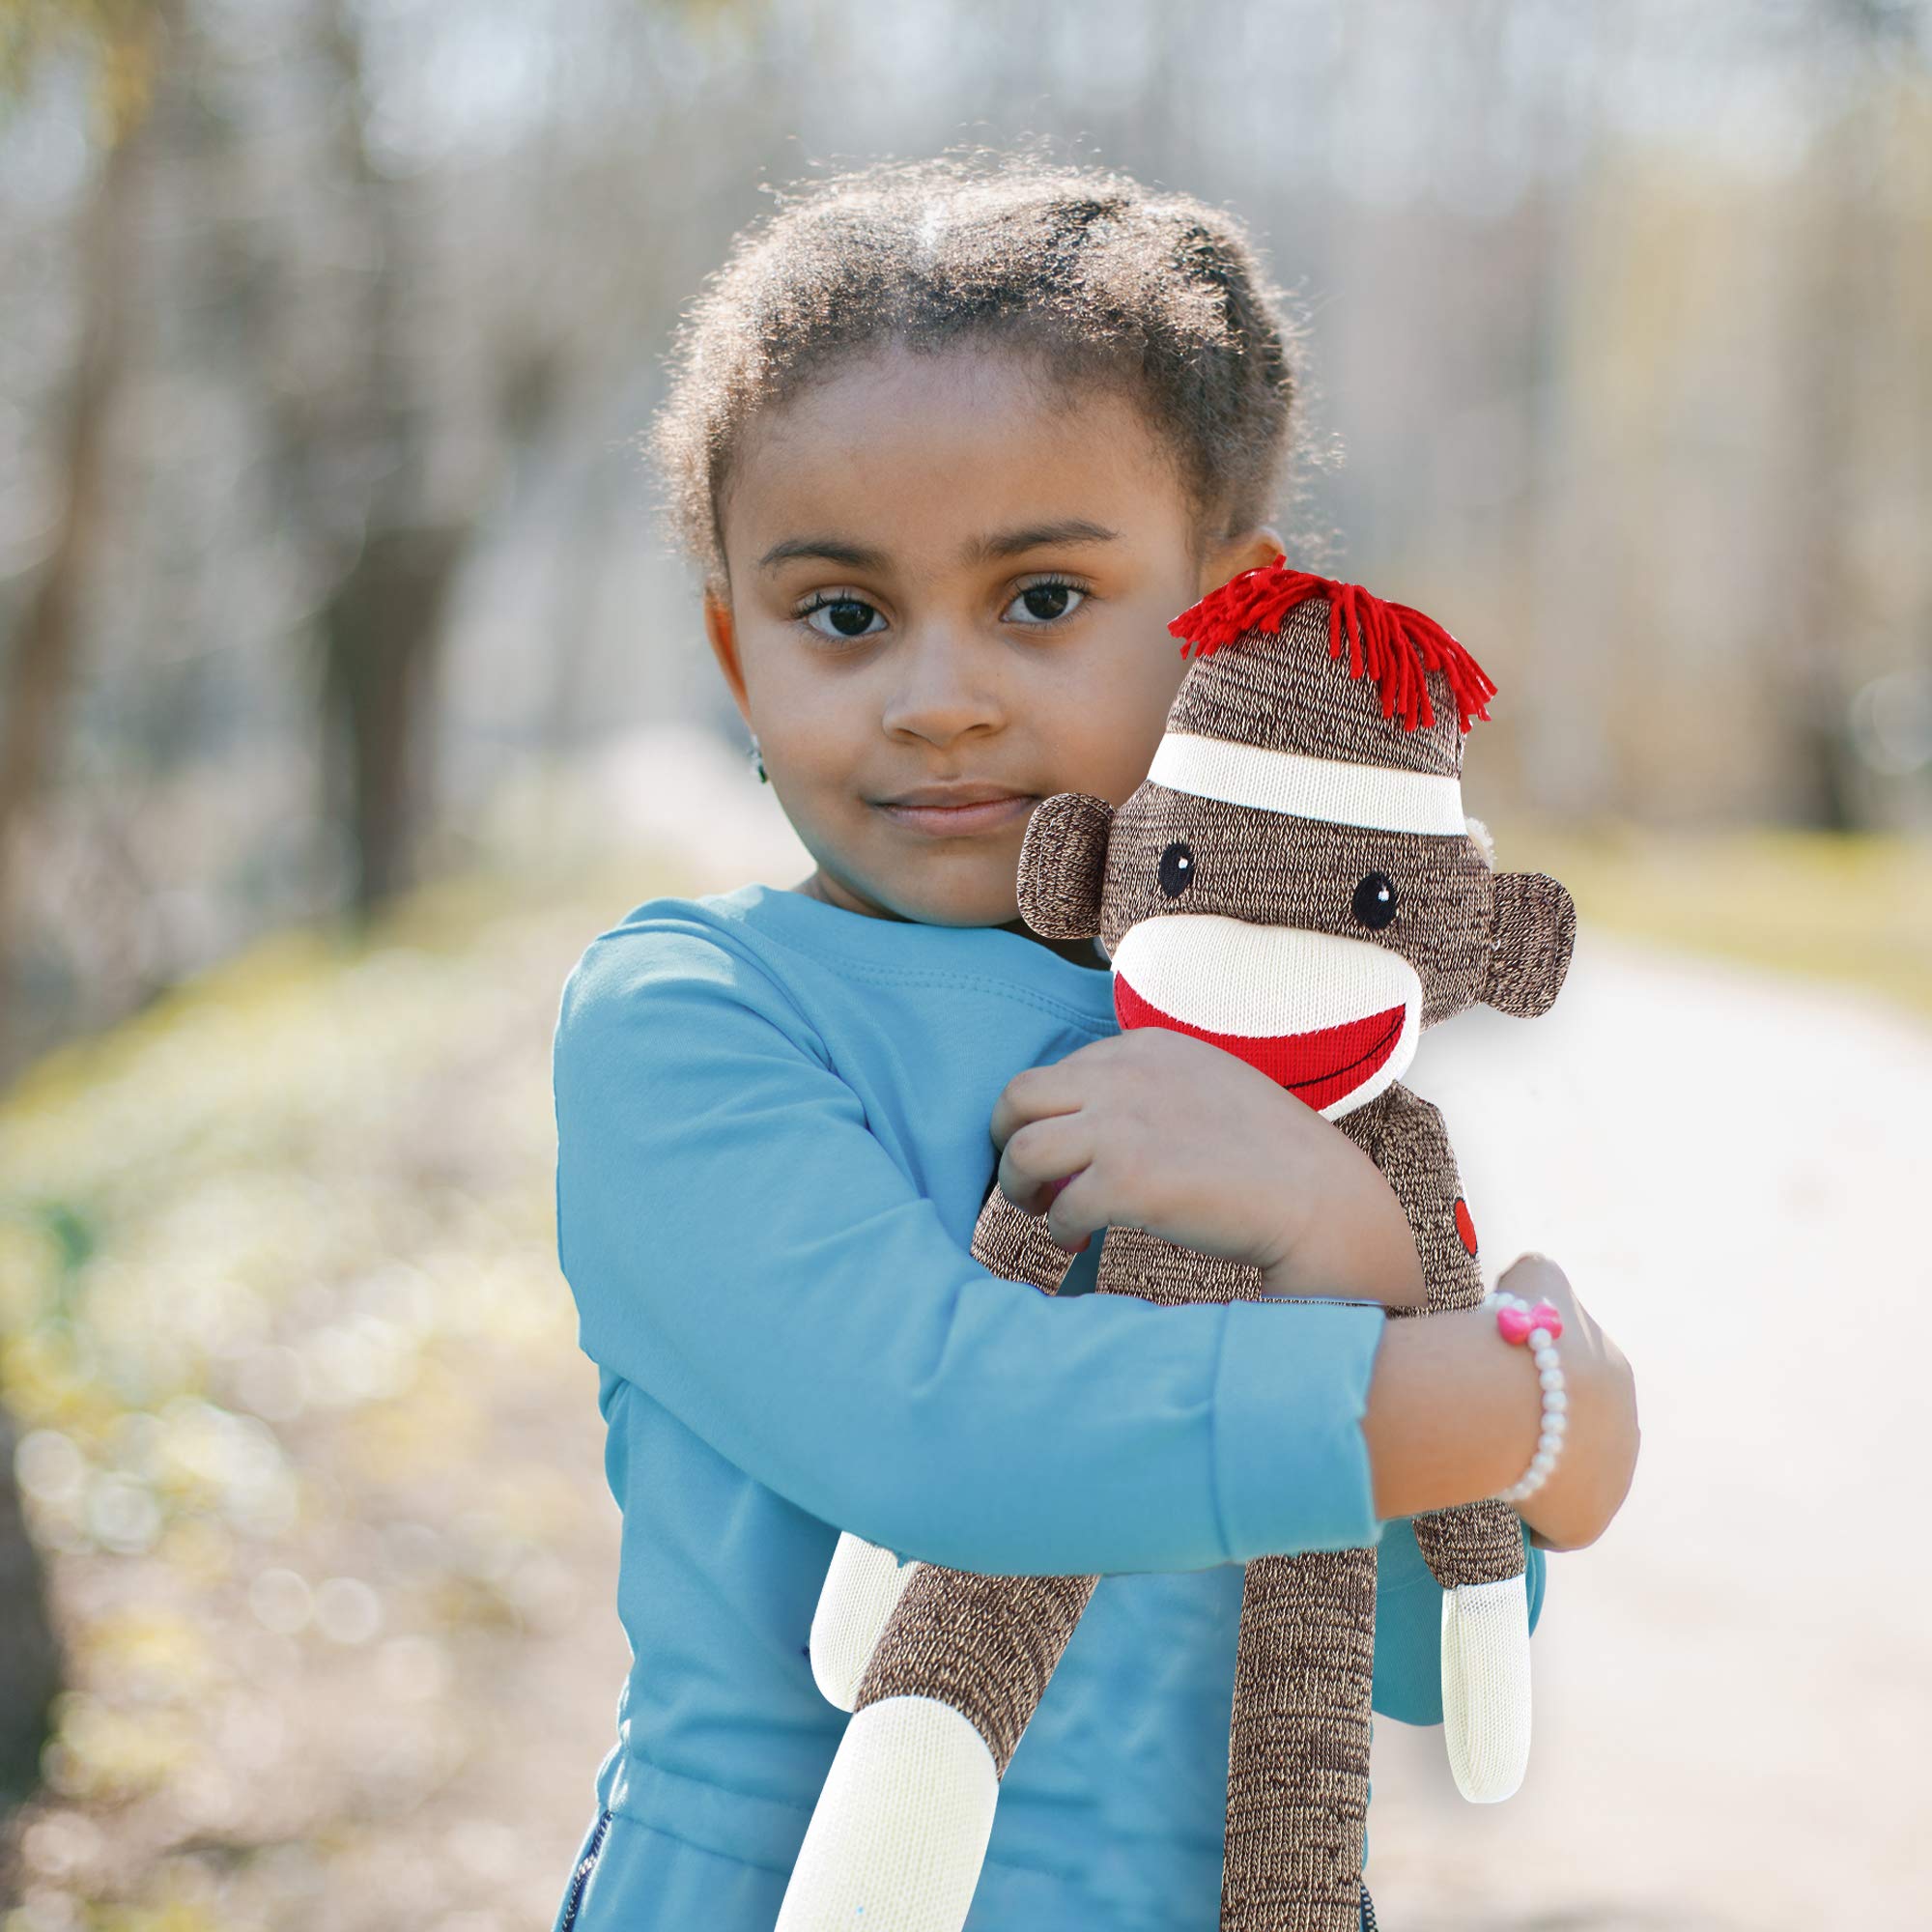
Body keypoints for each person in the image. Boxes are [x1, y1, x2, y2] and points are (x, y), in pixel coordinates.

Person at [547, 152, 1639, 1932]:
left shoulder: (1314, 1091)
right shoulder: (690, 1019)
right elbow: (946, 1427)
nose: (939, 693)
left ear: (1236, 624)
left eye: (1041, 598)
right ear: (736, 659)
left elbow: (1430, 1670)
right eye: (841, 614)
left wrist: (1355, 1246)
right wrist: (1508, 1403)